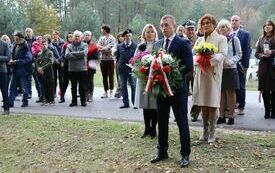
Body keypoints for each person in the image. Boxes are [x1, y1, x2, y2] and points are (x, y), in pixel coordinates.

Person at [150, 15, 193, 168]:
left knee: (182, 121)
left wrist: (172, 77)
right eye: (162, 25)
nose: (164, 28)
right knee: (161, 120)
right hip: (161, 91)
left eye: (167, 25)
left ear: (174, 25)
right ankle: (162, 151)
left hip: (178, 91)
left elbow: (189, 67)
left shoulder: (183, 43)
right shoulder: (157, 44)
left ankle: (185, 154)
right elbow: (153, 67)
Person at [193, 14, 227, 143]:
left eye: (208, 23)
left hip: (212, 75)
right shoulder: (199, 41)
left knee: (212, 103)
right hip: (201, 75)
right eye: (203, 23)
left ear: (214, 24)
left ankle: (213, 131)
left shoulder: (221, 39)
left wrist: (209, 60)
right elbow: (194, 56)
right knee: (203, 103)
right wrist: (199, 60)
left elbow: (223, 54)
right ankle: (204, 132)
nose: (206, 25)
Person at [134, 24, 158, 138]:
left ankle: (154, 129)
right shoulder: (140, 46)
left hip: (155, 78)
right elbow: (134, 61)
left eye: (152, 32)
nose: (150, 34)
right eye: (147, 32)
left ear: (155, 33)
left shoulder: (158, 45)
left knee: (153, 105)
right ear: (144, 34)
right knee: (145, 105)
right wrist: (139, 68)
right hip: (143, 78)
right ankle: (147, 128)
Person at [216, 19, 241, 125]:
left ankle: (230, 116)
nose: (221, 29)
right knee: (221, 94)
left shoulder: (234, 39)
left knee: (231, 93)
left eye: (224, 27)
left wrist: (230, 62)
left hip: (231, 69)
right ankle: (221, 116)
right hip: (220, 69)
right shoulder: (218, 40)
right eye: (220, 27)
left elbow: (239, 54)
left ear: (228, 28)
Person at [231, 15, 252, 115]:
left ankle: (241, 106)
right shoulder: (228, 34)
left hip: (241, 64)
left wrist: (246, 65)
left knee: (241, 86)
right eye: (232, 20)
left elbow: (247, 50)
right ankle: (233, 104)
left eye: (236, 20)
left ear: (239, 22)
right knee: (233, 85)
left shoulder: (245, 34)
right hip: (231, 64)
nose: (234, 22)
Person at [255, 20, 275, 119]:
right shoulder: (261, 39)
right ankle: (267, 109)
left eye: (269, 25)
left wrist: (271, 52)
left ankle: (273, 110)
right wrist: (261, 55)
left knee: (274, 90)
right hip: (263, 67)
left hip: (273, 66)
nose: (267, 27)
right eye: (265, 25)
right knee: (265, 90)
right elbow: (256, 53)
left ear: (272, 26)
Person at [9, 32, 32, 108]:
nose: (14, 39)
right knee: (12, 87)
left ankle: (25, 102)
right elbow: (12, 55)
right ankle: (10, 102)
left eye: (15, 37)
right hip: (15, 69)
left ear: (20, 38)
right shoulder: (14, 45)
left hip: (23, 70)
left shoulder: (26, 46)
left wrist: (17, 61)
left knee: (24, 87)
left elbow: (28, 59)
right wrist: (12, 60)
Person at [65, 30, 88, 107]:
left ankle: (83, 101)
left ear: (81, 37)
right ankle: (74, 101)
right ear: (73, 37)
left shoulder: (84, 45)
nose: (77, 37)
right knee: (73, 87)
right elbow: (67, 55)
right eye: (75, 36)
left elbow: (84, 53)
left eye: (78, 36)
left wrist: (73, 53)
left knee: (82, 86)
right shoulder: (69, 46)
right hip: (72, 69)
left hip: (82, 69)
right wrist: (78, 56)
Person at [116, 29, 137, 108]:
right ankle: (126, 103)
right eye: (126, 36)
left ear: (131, 36)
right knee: (123, 86)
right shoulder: (119, 46)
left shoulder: (135, 46)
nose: (128, 37)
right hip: (122, 69)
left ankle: (135, 103)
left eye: (129, 36)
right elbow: (118, 58)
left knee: (133, 85)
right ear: (123, 37)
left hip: (132, 69)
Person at [97, 24, 116, 98]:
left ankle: (111, 91)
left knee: (111, 76)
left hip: (110, 60)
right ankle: (105, 91)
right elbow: (98, 46)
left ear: (105, 30)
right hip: (103, 60)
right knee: (104, 76)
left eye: (102, 29)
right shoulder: (101, 38)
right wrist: (104, 48)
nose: (101, 30)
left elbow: (111, 47)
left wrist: (103, 48)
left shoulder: (112, 38)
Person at [35, 38, 55, 105]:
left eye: (45, 44)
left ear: (47, 44)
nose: (44, 45)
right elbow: (37, 62)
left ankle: (51, 100)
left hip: (49, 71)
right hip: (42, 72)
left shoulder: (50, 52)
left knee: (50, 85)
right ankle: (46, 99)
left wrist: (42, 68)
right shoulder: (39, 53)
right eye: (42, 44)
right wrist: (38, 68)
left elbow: (50, 62)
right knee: (44, 86)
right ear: (40, 45)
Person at [84, 31, 100, 102]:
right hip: (82, 65)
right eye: (86, 35)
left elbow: (96, 56)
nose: (87, 36)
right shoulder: (82, 44)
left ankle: (90, 95)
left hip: (91, 65)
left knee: (90, 80)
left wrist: (88, 57)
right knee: (84, 80)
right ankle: (85, 94)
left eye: (88, 35)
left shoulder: (94, 45)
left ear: (91, 36)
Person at [59, 32, 73, 103]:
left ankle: (74, 98)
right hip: (66, 65)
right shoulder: (65, 45)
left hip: (74, 66)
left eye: (71, 37)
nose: (70, 38)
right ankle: (62, 97)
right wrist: (62, 61)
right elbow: (62, 55)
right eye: (69, 37)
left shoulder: (75, 45)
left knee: (73, 82)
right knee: (64, 82)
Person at [25, 27, 37, 99]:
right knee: (28, 78)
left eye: (29, 31)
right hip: (27, 61)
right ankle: (29, 93)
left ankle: (40, 94)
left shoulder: (35, 40)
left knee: (36, 79)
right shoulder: (24, 40)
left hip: (35, 61)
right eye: (26, 31)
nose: (27, 32)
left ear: (32, 32)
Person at [52, 31, 65, 98]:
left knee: (61, 78)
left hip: (61, 62)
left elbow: (63, 53)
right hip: (53, 63)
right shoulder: (51, 43)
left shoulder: (63, 42)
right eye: (53, 35)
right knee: (53, 78)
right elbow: (50, 53)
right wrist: (55, 60)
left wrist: (60, 60)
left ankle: (62, 93)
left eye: (55, 34)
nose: (54, 36)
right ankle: (54, 93)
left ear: (58, 35)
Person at [0, 37, 10, 115]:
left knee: (4, 91)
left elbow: (8, 58)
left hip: (2, 71)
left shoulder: (4, 44)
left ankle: (6, 109)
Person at [114, 32, 124, 98]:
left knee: (122, 78)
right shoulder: (117, 45)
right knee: (118, 77)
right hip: (118, 63)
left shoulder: (126, 44)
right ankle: (120, 91)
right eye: (119, 36)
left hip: (124, 63)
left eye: (122, 36)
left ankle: (120, 91)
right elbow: (115, 53)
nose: (120, 38)